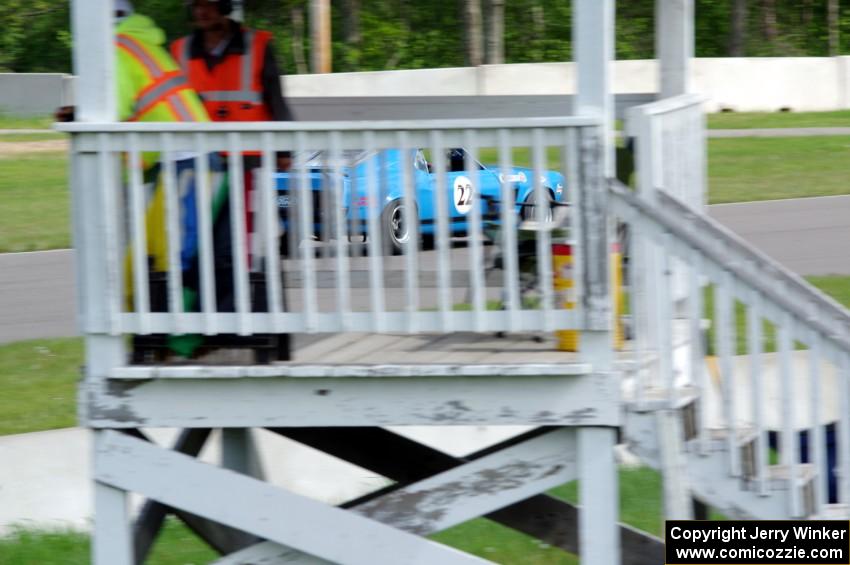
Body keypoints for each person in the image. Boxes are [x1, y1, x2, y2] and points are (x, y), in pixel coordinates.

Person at [172, 0, 292, 360]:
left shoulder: (258, 45)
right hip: (197, 168)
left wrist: (284, 150)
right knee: (199, 252)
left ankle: (258, 338)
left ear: (225, 7)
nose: (202, 11)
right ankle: (211, 332)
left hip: (248, 167)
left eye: (209, 4)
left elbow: (276, 101)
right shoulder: (179, 51)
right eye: (196, 5)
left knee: (246, 252)